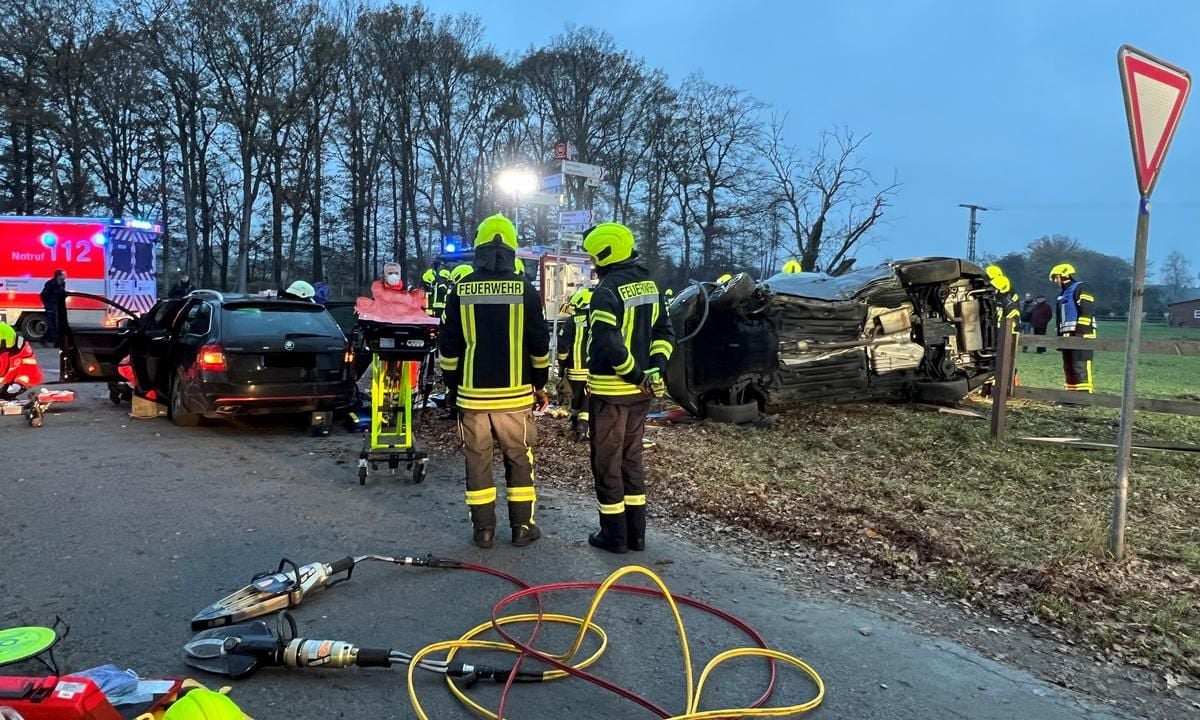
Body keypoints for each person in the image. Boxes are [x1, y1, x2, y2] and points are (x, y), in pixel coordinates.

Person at [438, 214, 551, 549]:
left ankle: (483, 530)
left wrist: (452, 387)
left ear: (478, 248)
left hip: (472, 398)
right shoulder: (525, 291)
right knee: (519, 459)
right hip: (515, 398)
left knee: (478, 461)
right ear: (512, 250)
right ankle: (522, 527)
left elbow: (449, 346)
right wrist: (540, 384)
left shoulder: (461, 289)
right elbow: (539, 344)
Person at [583, 222, 675, 554]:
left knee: (606, 463)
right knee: (631, 460)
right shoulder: (650, 284)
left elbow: (608, 343)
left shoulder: (607, 290)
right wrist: (654, 369)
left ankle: (614, 536)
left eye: (594, 258)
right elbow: (665, 332)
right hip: (641, 395)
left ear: (606, 254)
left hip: (612, 392)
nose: (593, 264)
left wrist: (633, 373)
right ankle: (637, 534)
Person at [1051, 263, 1096, 392]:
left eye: (1056, 277)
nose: (1055, 281)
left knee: (1080, 366)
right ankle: (1071, 396)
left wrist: (1080, 331)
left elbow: (1087, 309)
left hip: (1082, 335)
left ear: (1064, 276)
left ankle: (1082, 397)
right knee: (1069, 367)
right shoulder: (1063, 294)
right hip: (1067, 337)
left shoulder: (1081, 288)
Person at [557, 287, 592, 441]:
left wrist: (562, 364)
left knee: (576, 401)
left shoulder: (571, 321)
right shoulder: (598, 319)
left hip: (574, 370)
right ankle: (584, 428)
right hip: (594, 372)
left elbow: (563, 345)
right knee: (589, 400)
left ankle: (575, 425)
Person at [1, 321, 44, 400]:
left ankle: (8, 393)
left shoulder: (21, 347)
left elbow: (30, 371)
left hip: (13, 382)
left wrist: (19, 384)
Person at [39, 269, 66, 346]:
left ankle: (44, 339)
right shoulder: (50, 283)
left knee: (56, 325)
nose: (65, 276)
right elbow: (43, 295)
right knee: (53, 325)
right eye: (63, 274)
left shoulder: (62, 283)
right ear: (59, 276)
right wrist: (47, 305)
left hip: (58, 307)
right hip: (51, 307)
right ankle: (56, 343)